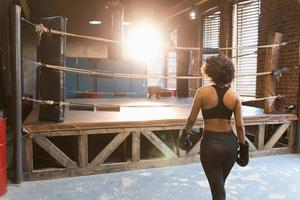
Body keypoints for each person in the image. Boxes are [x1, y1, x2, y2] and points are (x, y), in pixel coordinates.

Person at [181, 55, 248, 200]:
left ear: (210, 71)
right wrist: (244, 149)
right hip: (230, 144)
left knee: (218, 191)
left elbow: (191, 119)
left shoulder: (202, 92)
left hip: (211, 145)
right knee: (219, 186)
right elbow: (240, 126)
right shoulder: (235, 96)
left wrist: (184, 135)